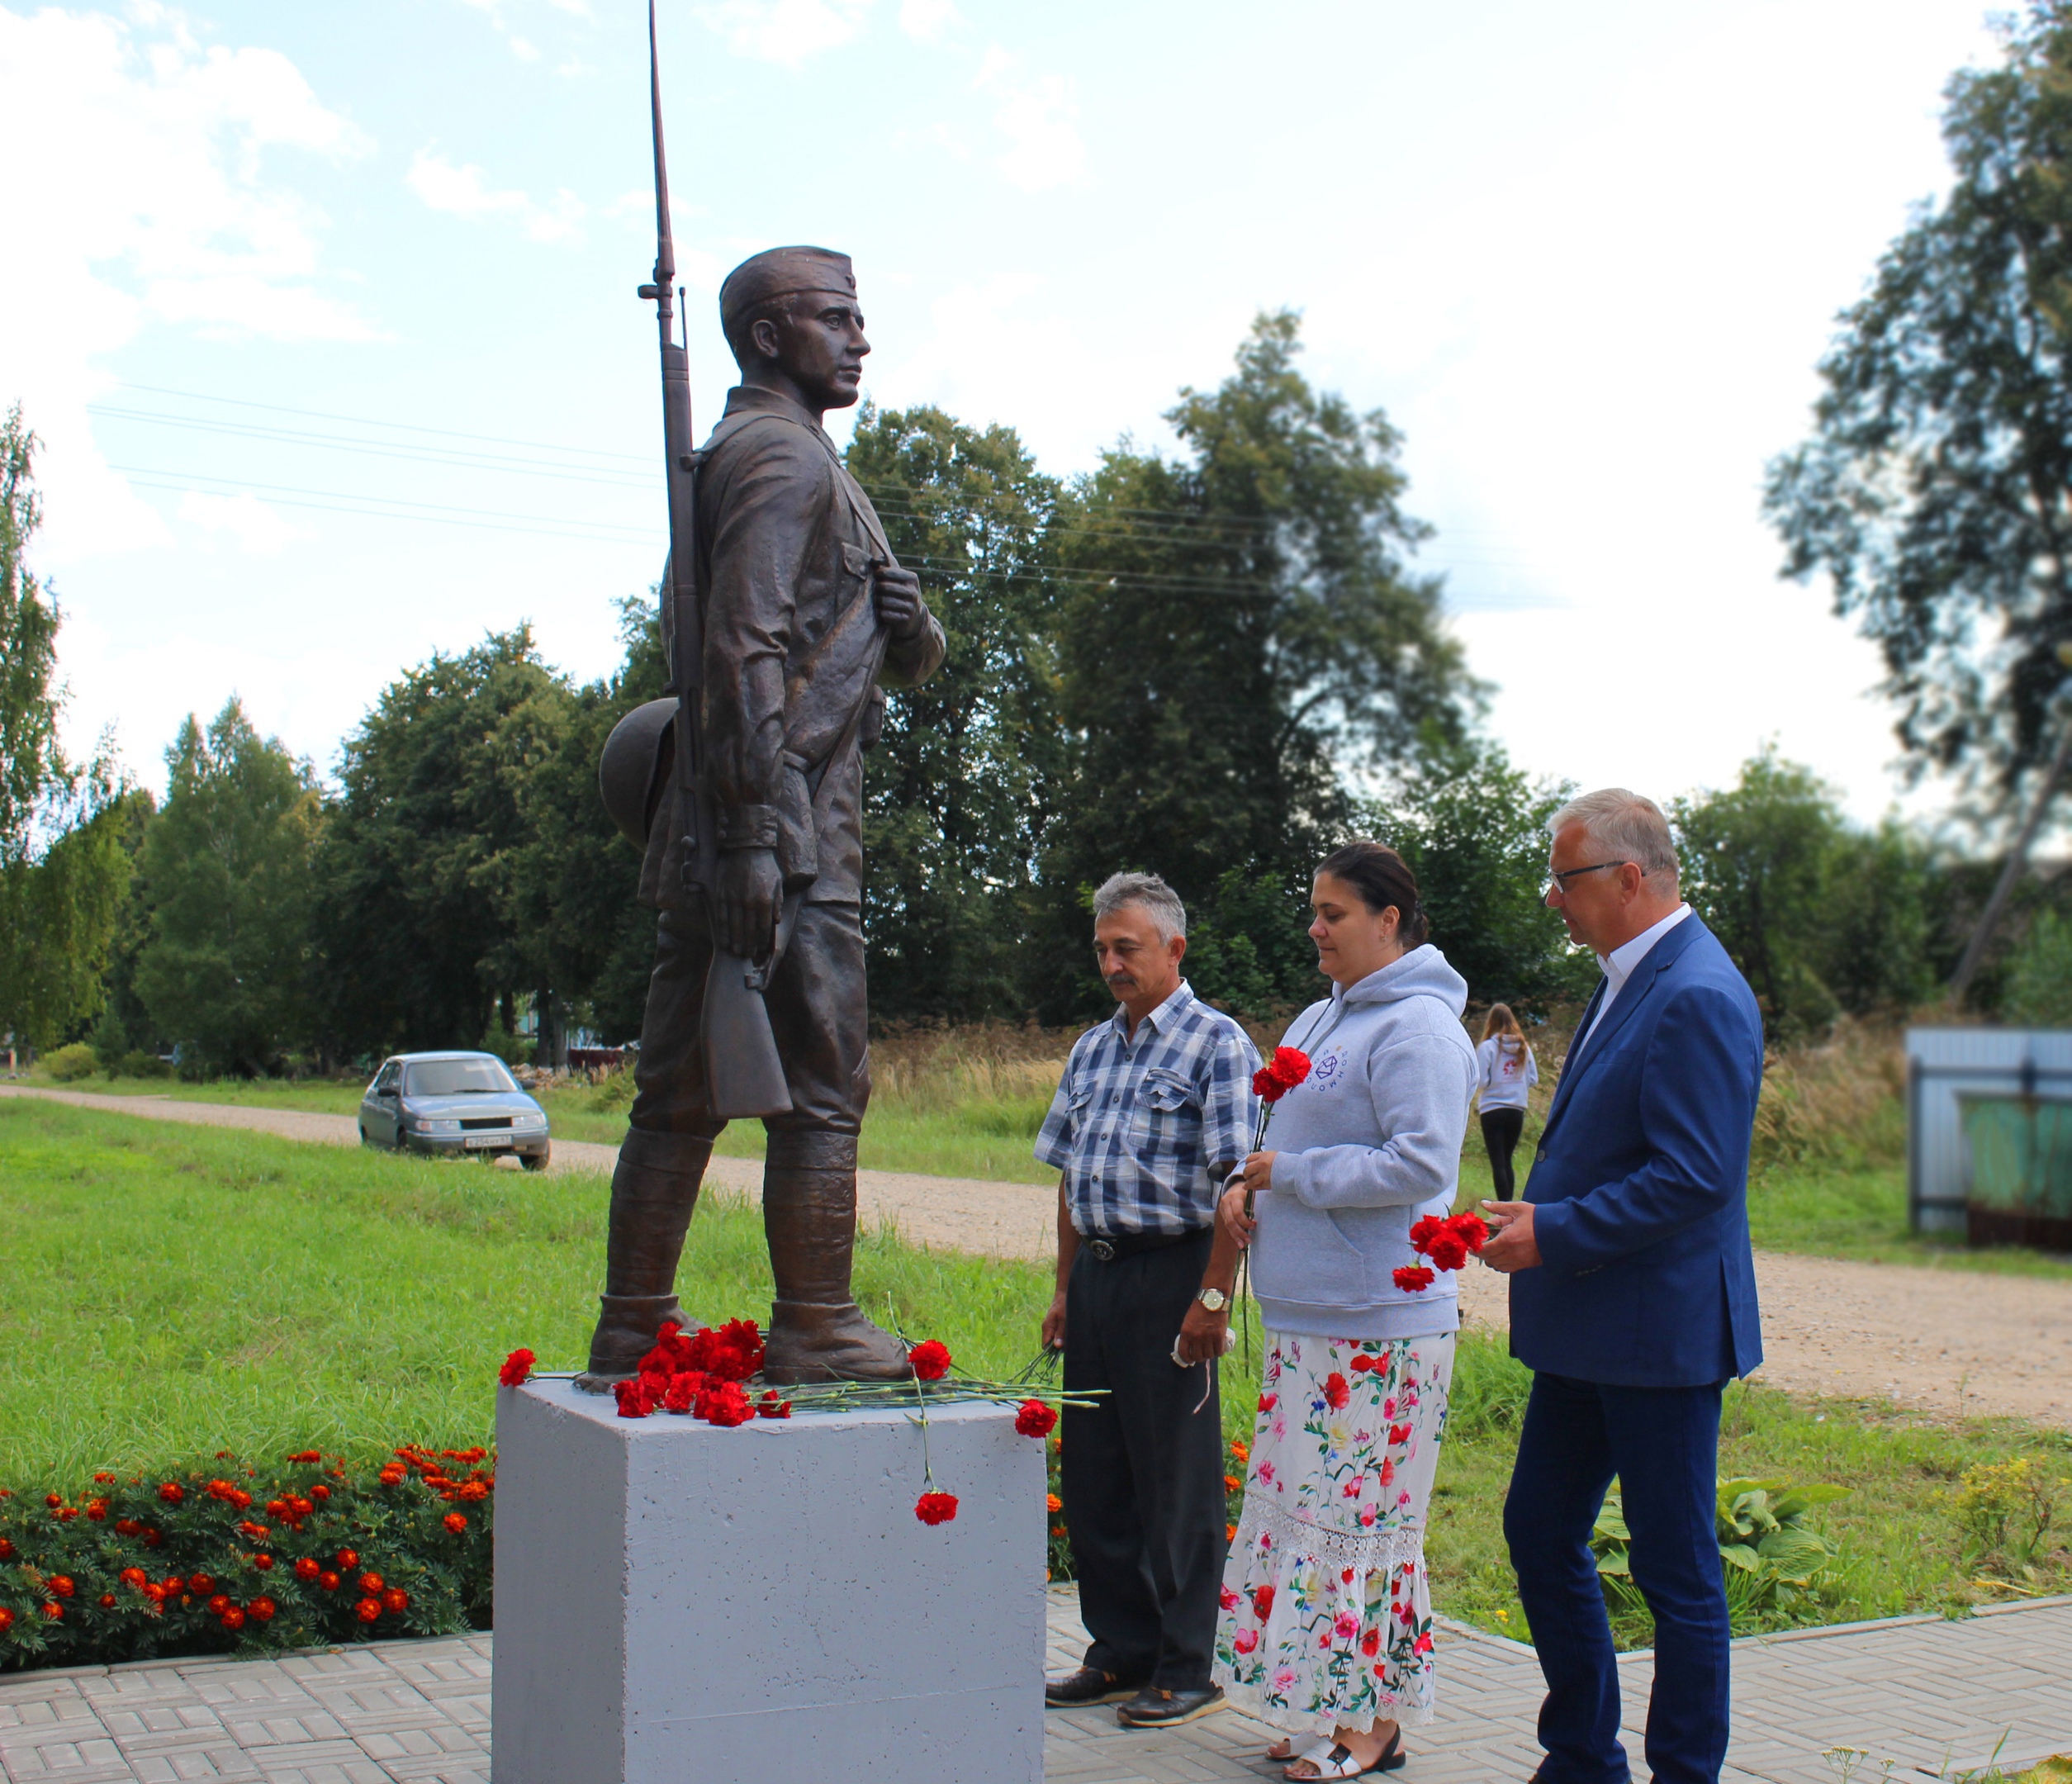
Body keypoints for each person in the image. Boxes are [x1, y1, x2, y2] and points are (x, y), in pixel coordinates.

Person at [580, 247, 947, 1388]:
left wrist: (912, 625)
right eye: (837, 319)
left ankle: (634, 1325)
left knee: (679, 1097)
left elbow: (885, 653)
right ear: (768, 335)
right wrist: (752, 838)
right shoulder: (783, 461)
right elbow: (740, 652)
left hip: (744, 826)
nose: (860, 339)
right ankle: (816, 1320)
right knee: (825, 1089)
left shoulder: (772, 458)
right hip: (784, 838)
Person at [1480, 789, 1762, 1784]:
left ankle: (1682, 1772)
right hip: (1591, 1327)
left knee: (1674, 1570)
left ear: (1629, 878)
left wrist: (1551, 1232)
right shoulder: (1624, 977)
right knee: (1539, 1528)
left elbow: (1695, 1176)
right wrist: (1535, 1219)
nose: (1553, 898)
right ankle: (1582, 1760)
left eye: (1565, 878)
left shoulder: (1697, 991)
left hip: (1658, 1334)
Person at [1212, 842, 1477, 1782]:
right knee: (1306, 1515)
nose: (1315, 927)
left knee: (1362, 1524)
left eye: (1333, 913)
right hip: (1309, 1313)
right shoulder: (1323, 1018)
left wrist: (1295, 1176)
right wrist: (1255, 1185)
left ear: (1389, 921)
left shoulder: (1419, 1030)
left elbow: (1420, 1164)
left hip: (1381, 1324)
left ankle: (1376, 1724)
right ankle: (1319, 1695)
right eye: (1314, 910)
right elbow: (1289, 1138)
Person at [1036, 872, 1259, 1730]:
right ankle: (1120, 1648)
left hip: (1174, 1276)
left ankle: (1186, 1663)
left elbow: (1237, 1187)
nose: (1111, 963)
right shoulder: (1092, 1048)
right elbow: (1067, 1176)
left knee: (1176, 1478)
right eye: (1101, 948)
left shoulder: (1217, 1044)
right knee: (1096, 1473)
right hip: (1096, 1277)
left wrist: (1211, 1296)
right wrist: (1062, 1288)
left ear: (1175, 948)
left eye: (1125, 946)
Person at [1473, 1004, 1538, 1201]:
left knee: (1498, 1162)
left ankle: (1503, 1206)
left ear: (1491, 1023)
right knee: (1507, 1160)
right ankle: (1510, 1207)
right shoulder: (1524, 1047)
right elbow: (1533, 1078)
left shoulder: (1488, 1047)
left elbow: (1481, 1080)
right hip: (1516, 1109)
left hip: (1492, 1109)